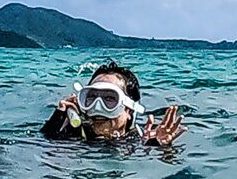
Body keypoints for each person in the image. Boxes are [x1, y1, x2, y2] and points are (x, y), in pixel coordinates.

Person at [42, 61, 184, 147]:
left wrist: (156, 147)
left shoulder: (138, 142)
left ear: (129, 110)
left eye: (110, 99)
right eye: (91, 97)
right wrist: (57, 122)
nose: (97, 107)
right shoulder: (70, 134)